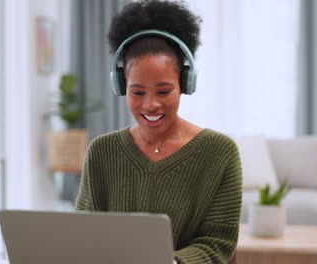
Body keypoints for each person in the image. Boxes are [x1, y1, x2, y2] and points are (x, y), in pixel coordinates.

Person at [75, 1, 242, 263]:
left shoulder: (220, 152)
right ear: (121, 86)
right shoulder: (101, 151)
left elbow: (218, 242)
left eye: (164, 91)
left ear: (185, 84)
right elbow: (83, 235)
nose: (150, 104)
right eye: (137, 92)